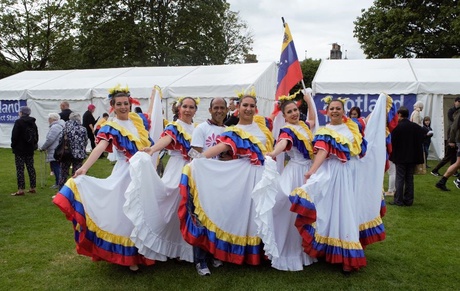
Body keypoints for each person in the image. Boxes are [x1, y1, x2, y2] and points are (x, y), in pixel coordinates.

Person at [53, 88, 154, 271]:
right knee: (128, 212)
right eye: (119, 104)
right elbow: (99, 148)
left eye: (126, 103)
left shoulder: (138, 121)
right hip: (126, 172)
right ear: (113, 106)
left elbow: (149, 144)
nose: (123, 107)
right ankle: (129, 255)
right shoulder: (111, 126)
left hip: (145, 173)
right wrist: (84, 167)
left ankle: (146, 249)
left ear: (130, 104)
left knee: (144, 210)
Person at [290, 94, 388, 273]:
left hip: (352, 174)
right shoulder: (324, 131)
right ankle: (340, 253)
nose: (335, 111)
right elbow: (322, 152)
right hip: (335, 174)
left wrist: (381, 105)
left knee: (350, 210)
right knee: (336, 212)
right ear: (326, 112)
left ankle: (346, 250)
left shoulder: (352, 127)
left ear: (343, 111)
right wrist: (312, 171)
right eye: (332, 109)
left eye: (338, 108)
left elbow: (368, 123)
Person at [178, 93, 274, 269]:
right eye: (245, 105)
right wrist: (197, 164)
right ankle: (206, 259)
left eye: (252, 105)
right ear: (238, 107)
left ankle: (249, 253)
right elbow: (209, 150)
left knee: (248, 214)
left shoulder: (252, 128)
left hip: (249, 176)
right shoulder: (222, 130)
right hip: (226, 177)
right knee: (221, 215)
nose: (248, 108)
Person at [124, 96, 199, 265]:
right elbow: (167, 139)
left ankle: (187, 248)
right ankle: (168, 245)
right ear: (179, 109)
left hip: (195, 169)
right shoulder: (175, 126)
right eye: (185, 106)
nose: (187, 110)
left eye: (191, 107)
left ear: (195, 110)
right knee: (173, 204)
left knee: (192, 208)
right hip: (178, 168)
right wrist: (153, 149)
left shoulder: (197, 128)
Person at [260, 91, 317, 271]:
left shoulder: (304, 126)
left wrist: (309, 101)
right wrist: (274, 153)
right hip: (295, 173)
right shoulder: (287, 130)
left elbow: (313, 121)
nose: (294, 113)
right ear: (283, 116)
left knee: (307, 209)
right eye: (289, 112)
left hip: (308, 171)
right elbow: (283, 144)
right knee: (291, 211)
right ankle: (288, 251)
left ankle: (305, 250)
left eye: (295, 110)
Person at [189, 97, 227, 275]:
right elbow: (194, 154)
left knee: (218, 218)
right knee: (202, 220)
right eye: (216, 108)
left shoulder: (228, 131)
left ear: (227, 110)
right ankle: (200, 260)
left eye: (222, 108)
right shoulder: (201, 128)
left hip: (220, 181)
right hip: (203, 181)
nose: (219, 111)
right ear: (210, 110)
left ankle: (214, 254)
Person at [390, 106, 426, 206]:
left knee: (400, 178)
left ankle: (398, 200)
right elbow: (427, 133)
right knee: (409, 178)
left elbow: (393, 141)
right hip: (412, 157)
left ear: (400, 115)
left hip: (400, 157)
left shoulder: (397, 127)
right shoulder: (415, 127)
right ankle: (408, 200)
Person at [10, 106, 38, 196]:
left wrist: (13, 145)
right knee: (31, 168)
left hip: (19, 149)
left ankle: (21, 189)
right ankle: (33, 187)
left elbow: (14, 135)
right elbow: (36, 136)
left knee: (20, 169)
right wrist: (33, 145)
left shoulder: (19, 122)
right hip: (29, 149)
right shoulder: (33, 122)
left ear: (22, 112)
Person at [57, 113, 88, 189]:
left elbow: (60, 139)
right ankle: (76, 190)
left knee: (63, 172)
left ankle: (62, 190)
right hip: (79, 154)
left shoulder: (65, 128)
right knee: (77, 173)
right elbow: (85, 141)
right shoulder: (83, 129)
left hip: (66, 153)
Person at [431, 97, 460, 176]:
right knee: (448, 157)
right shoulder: (452, 111)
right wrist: (451, 140)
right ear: (455, 102)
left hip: (454, 136)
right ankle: (435, 170)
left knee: (454, 156)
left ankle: (454, 171)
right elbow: (453, 126)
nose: (459, 103)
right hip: (452, 136)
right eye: (458, 101)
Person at [436, 102, 460, 191]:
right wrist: (451, 140)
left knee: (457, 163)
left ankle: (442, 182)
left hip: (457, 140)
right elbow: (453, 127)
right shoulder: (458, 114)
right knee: (456, 162)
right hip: (458, 140)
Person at [39, 113, 65, 189]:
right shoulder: (60, 126)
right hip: (58, 149)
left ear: (52, 119)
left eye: (49, 119)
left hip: (55, 150)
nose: (48, 120)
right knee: (58, 166)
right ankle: (60, 182)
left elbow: (50, 139)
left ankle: (58, 183)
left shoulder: (55, 127)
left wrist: (43, 147)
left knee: (56, 166)